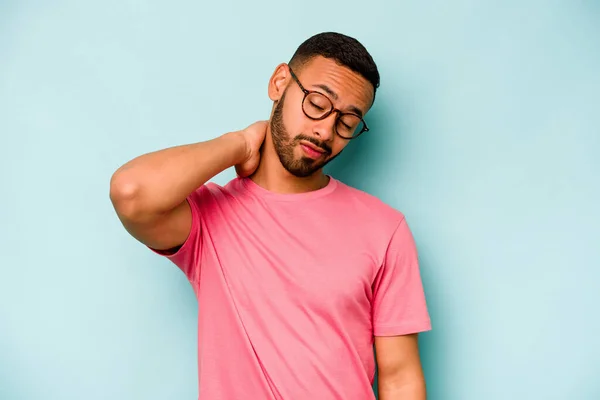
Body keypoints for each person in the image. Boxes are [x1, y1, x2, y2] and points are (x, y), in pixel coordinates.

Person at [109, 31, 432, 400]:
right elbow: (131, 192)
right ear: (280, 82)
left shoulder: (385, 229)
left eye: (347, 122)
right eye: (316, 102)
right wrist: (240, 143)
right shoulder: (209, 219)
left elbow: (401, 377)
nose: (325, 130)